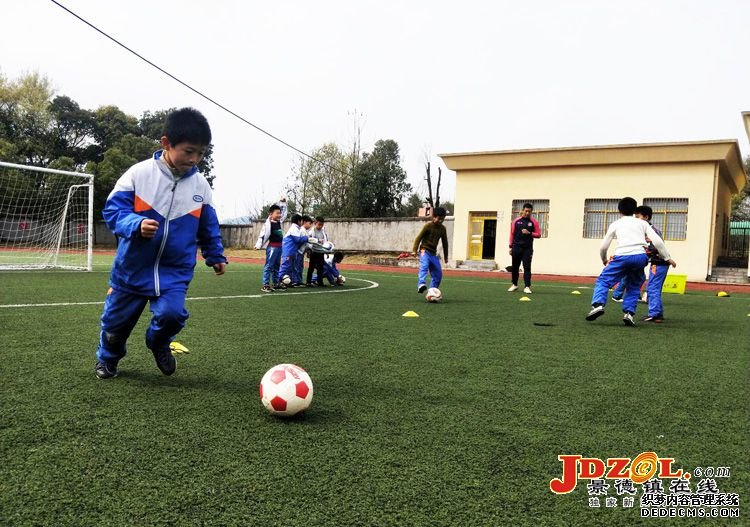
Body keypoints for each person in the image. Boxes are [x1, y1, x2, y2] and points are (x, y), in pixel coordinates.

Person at [94, 108, 227, 379]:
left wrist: (215, 255)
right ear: (166, 143)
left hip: (174, 271)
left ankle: (158, 343)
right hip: (132, 268)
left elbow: (208, 225)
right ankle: (108, 358)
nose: (194, 159)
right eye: (189, 151)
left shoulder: (201, 186)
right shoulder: (138, 174)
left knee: (173, 315)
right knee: (115, 325)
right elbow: (112, 212)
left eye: (201, 153)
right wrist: (135, 224)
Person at [585, 197, 676, 326]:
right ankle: (629, 314)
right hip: (640, 257)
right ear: (634, 210)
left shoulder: (616, 224)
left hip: (621, 256)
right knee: (634, 285)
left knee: (603, 281)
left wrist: (604, 259)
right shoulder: (642, 223)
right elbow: (657, 241)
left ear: (619, 210)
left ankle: (598, 305)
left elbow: (603, 246)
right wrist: (667, 258)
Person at [637, 205, 671, 323]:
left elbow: (654, 248)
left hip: (659, 263)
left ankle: (654, 313)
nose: (636, 219)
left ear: (646, 217)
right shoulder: (648, 230)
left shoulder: (651, 231)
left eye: (638, 217)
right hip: (658, 263)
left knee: (652, 288)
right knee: (654, 288)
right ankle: (658, 314)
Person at [412, 207, 449, 293]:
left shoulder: (442, 229)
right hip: (424, 251)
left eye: (442, 219)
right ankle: (421, 284)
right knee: (424, 266)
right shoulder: (428, 226)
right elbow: (418, 238)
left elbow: (445, 243)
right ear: (433, 217)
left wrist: (446, 257)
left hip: (433, 254)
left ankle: (432, 291)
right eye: (439, 219)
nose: (440, 221)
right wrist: (414, 250)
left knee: (438, 274)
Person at [254, 199, 287, 293]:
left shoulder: (279, 222)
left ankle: (276, 283)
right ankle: (266, 284)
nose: (279, 215)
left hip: (279, 247)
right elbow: (262, 235)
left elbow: (284, 213)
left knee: (277, 266)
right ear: (271, 214)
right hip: (272, 248)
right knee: (269, 266)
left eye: (279, 213)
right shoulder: (267, 224)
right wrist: (258, 245)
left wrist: (283, 203)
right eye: (277, 213)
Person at [508, 202, 541, 294]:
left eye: (529, 211)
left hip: (527, 248)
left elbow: (538, 235)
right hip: (516, 247)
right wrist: (510, 247)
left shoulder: (533, 222)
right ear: (522, 210)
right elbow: (512, 234)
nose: (527, 213)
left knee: (527, 267)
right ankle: (514, 284)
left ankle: (527, 286)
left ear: (531, 212)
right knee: (515, 267)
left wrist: (529, 233)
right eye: (526, 211)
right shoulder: (516, 221)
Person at [278, 214, 315, 288]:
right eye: (301, 221)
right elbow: (298, 239)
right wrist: (307, 238)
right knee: (286, 267)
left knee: (291, 267)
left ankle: (290, 281)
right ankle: (278, 281)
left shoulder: (296, 228)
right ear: (298, 221)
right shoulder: (294, 229)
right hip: (288, 251)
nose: (302, 222)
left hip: (292, 251)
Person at [306, 216, 329, 287]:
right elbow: (309, 241)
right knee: (311, 267)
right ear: (315, 223)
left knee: (320, 268)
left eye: (322, 225)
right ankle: (308, 282)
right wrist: (308, 251)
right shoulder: (311, 231)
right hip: (313, 251)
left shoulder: (323, 232)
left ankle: (320, 282)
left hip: (321, 252)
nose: (320, 226)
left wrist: (326, 250)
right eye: (319, 224)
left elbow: (326, 241)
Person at [295, 215, 314, 286]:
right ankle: (296, 281)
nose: (310, 226)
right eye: (310, 223)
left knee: (300, 266)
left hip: (301, 252)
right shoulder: (302, 230)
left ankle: (299, 281)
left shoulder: (305, 231)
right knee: (297, 266)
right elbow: (304, 242)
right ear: (305, 222)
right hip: (298, 251)